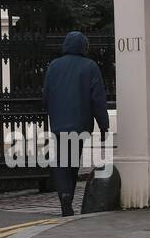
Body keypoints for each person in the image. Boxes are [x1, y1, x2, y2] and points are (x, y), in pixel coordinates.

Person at [42, 30, 110, 217]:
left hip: (58, 123)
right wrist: (103, 125)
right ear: (83, 47)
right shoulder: (90, 67)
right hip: (80, 124)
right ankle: (67, 195)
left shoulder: (54, 66)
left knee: (62, 160)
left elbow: (46, 95)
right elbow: (97, 99)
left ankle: (64, 194)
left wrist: (50, 112)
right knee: (73, 161)